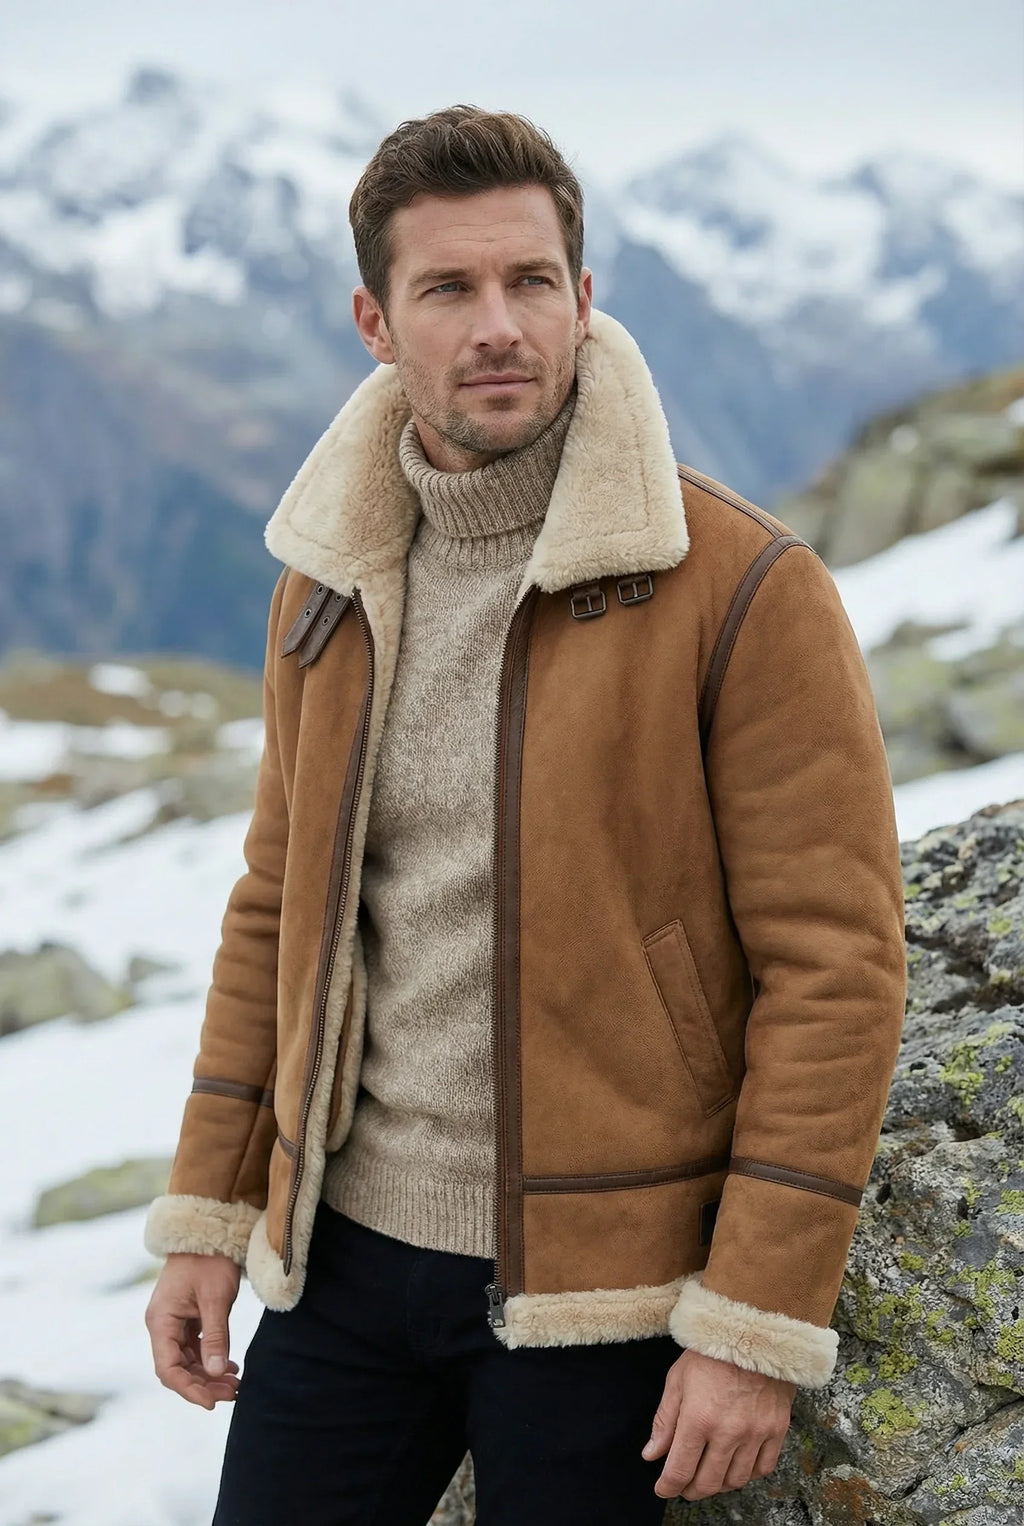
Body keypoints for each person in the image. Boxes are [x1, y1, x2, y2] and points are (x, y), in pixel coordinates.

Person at [143, 104, 907, 1523]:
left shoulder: (741, 586)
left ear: (583, 297)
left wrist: (752, 1316)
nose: (498, 324)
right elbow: (276, 904)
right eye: (449, 289)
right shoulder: (327, 580)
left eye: (530, 281)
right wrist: (209, 1211)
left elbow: (838, 966)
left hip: (605, 1289)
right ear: (377, 321)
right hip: (350, 1262)